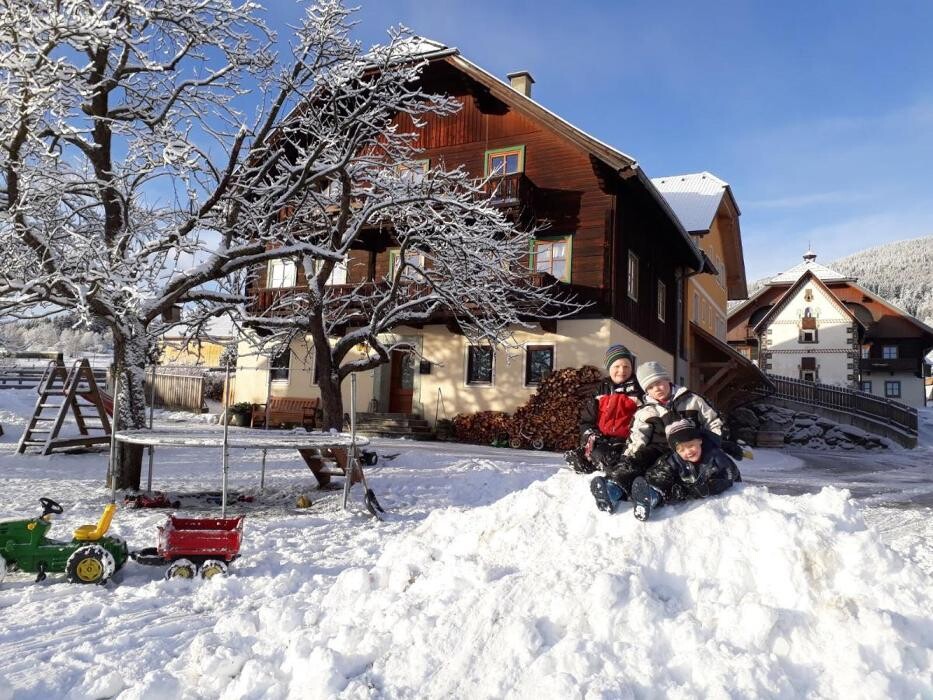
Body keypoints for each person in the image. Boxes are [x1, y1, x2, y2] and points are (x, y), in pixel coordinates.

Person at [589, 360, 725, 513]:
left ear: (667, 379)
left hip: (685, 448)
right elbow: (638, 437)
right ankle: (613, 489)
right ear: (646, 391)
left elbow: (713, 421)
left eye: (659, 383)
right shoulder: (646, 410)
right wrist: (629, 458)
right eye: (650, 387)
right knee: (637, 460)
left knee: (664, 470)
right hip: (657, 448)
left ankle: (651, 494)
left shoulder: (692, 400)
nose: (657, 389)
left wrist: (712, 443)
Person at [629, 418, 741, 521]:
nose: (688, 452)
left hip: (706, 490)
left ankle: (653, 498)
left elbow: (730, 474)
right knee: (662, 483)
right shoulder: (673, 460)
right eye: (681, 450)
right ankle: (650, 497)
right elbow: (658, 472)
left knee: (675, 492)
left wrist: (711, 486)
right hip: (685, 489)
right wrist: (658, 481)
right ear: (676, 451)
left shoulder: (715, 456)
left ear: (700, 441)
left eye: (691, 445)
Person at [564, 344, 642, 477]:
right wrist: (591, 435)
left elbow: (644, 419)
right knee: (581, 455)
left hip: (625, 441)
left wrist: (631, 439)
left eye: (626, 366)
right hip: (602, 439)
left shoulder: (638, 390)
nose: (621, 370)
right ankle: (596, 464)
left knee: (605, 455)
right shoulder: (600, 389)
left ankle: (616, 472)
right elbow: (587, 420)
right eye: (616, 366)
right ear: (609, 368)